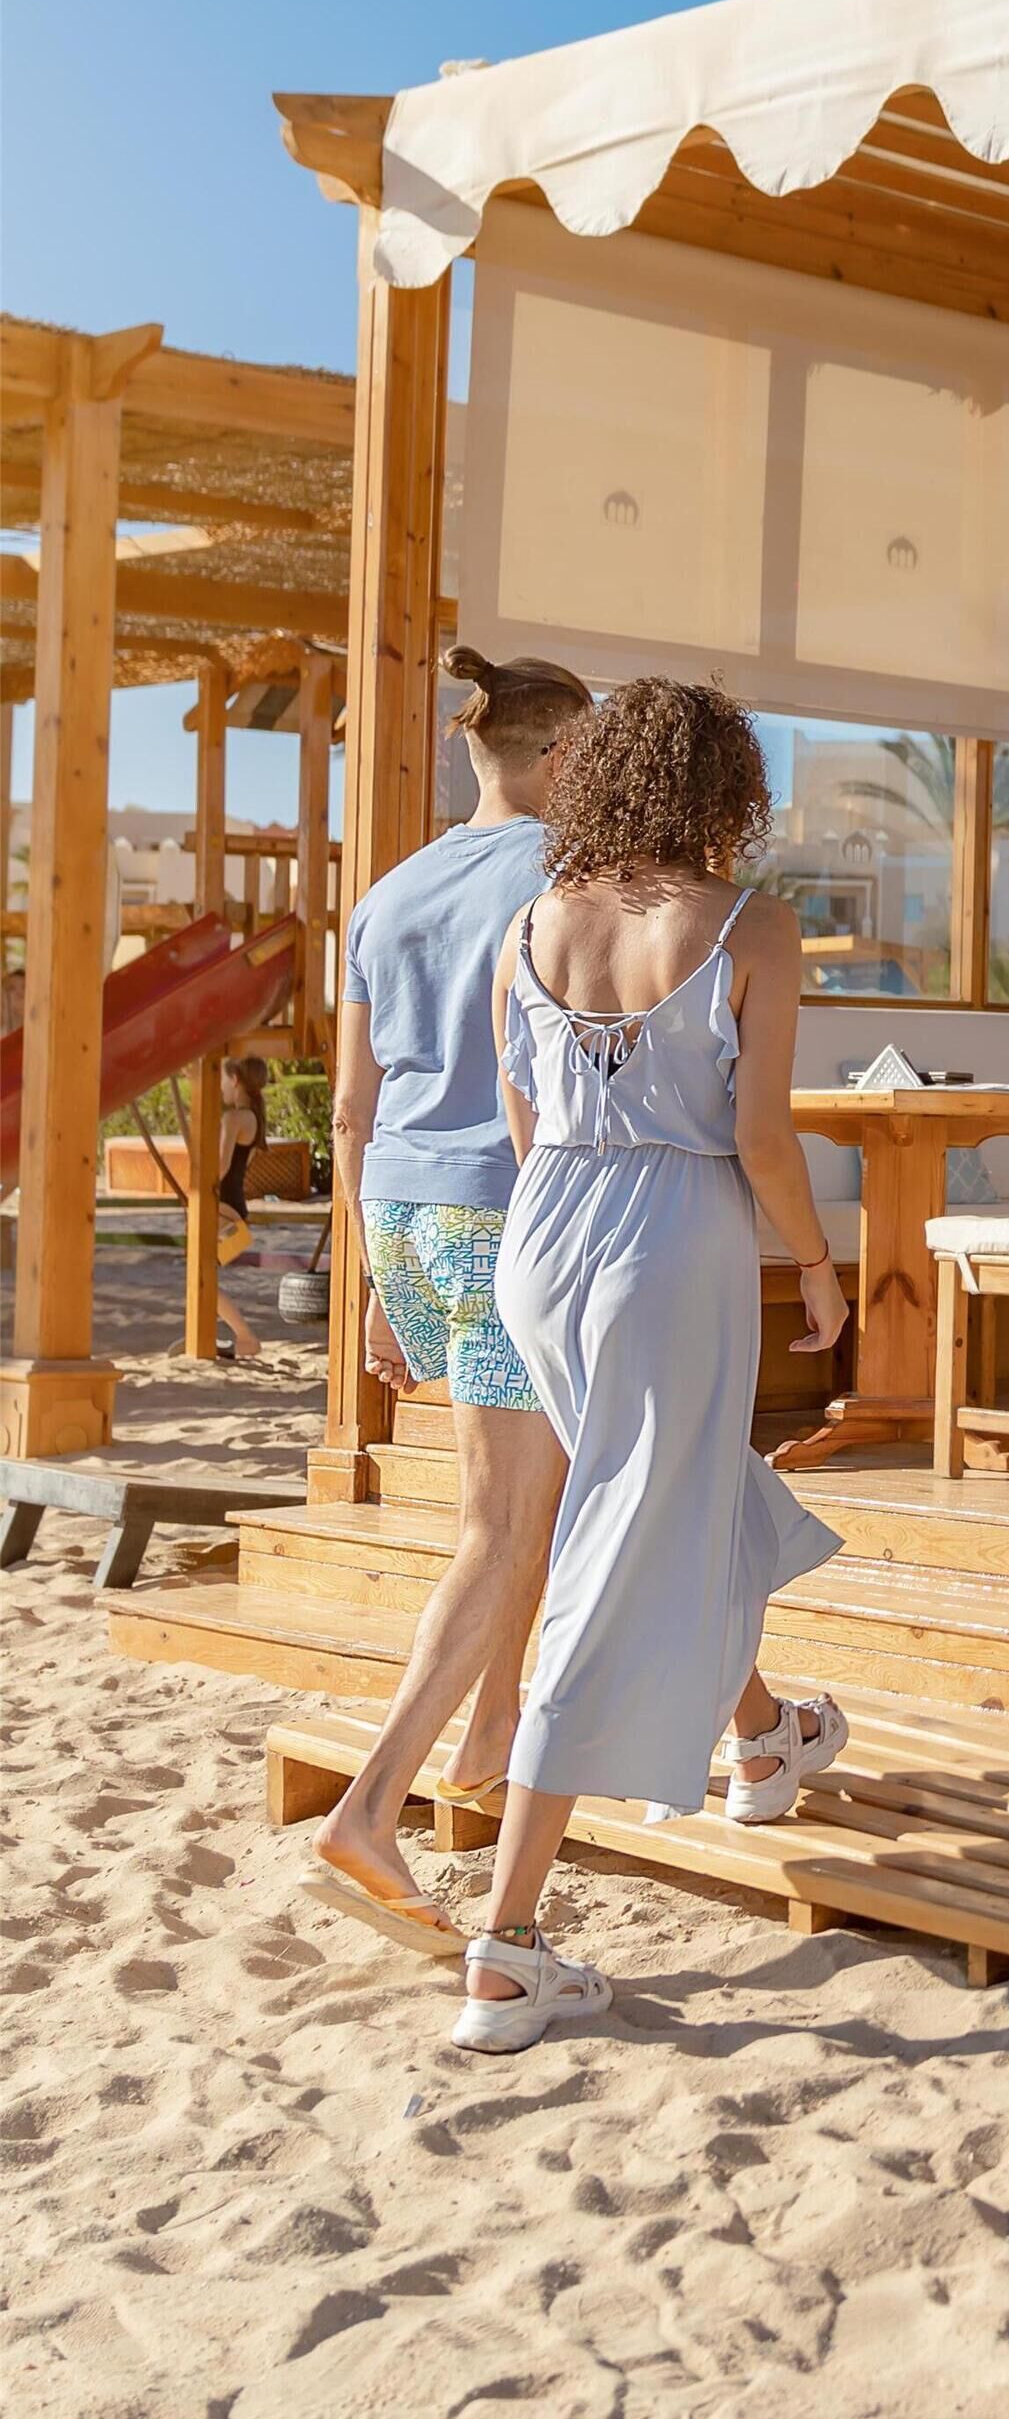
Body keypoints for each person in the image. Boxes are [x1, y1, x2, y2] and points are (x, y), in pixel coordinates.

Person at [454, 677, 851, 2053]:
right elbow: (764, 1141)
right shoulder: (751, 924)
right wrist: (812, 1260)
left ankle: (762, 1736)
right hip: (672, 1230)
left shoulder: (531, 921)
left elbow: (517, 1103)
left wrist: (564, 1236)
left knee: (658, 1484)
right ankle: (507, 1938)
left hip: (543, 1230)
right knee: (621, 1531)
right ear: (722, 788)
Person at [299, 649, 594, 1952]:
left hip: (405, 1211)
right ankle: (372, 1805)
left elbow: (350, 1106)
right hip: (498, 1204)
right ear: (563, 754)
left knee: (532, 1501)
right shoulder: (558, 878)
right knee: (498, 1521)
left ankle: (488, 1738)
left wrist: (369, 1271)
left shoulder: (390, 890)